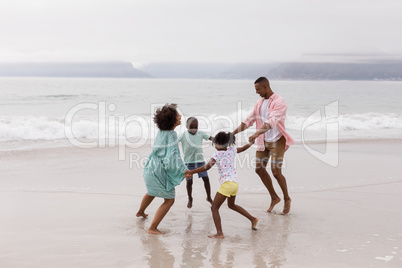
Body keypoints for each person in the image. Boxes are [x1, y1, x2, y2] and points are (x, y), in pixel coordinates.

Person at [233, 77, 294, 215]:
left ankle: (287, 198)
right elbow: (248, 120)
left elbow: (270, 122)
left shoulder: (279, 102)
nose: (256, 92)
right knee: (259, 169)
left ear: (266, 87)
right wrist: (232, 133)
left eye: (258, 89)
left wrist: (255, 134)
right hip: (263, 140)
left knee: (276, 172)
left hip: (277, 140)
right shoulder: (259, 103)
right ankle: (274, 197)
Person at [185, 131, 258, 239]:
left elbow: (206, 167)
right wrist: (250, 144)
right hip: (234, 183)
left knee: (214, 208)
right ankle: (253, 219)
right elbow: (242, 148)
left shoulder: (217, 154)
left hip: (227, 185)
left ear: (218, 143)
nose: (214, 145)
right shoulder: (232, 150)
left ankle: (220, 233)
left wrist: (191, 171)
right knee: (232, 205)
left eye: (214, 143)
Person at [136, 103, 191, 235]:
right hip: (158, 171)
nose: (180, 116)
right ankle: (152, 228)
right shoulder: (171, 134)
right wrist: (184, 170)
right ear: (172, 120)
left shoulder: (161, 132)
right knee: (169, 200)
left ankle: (140, 211)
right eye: (178, 115)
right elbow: (173, 156)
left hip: (150, 168)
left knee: (151, 191)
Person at [178, 117, 213, 208]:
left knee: (206, 179)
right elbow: (174, 143)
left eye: (195, 127)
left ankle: (209, 197)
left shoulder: (200, 133)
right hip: (188, 163)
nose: (194, 129)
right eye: (191, 127)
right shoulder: (183, 135)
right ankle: (190, 198)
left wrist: (219, 140)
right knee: (189, 182)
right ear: (186, 126)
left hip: (200, 161)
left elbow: (210, 138)